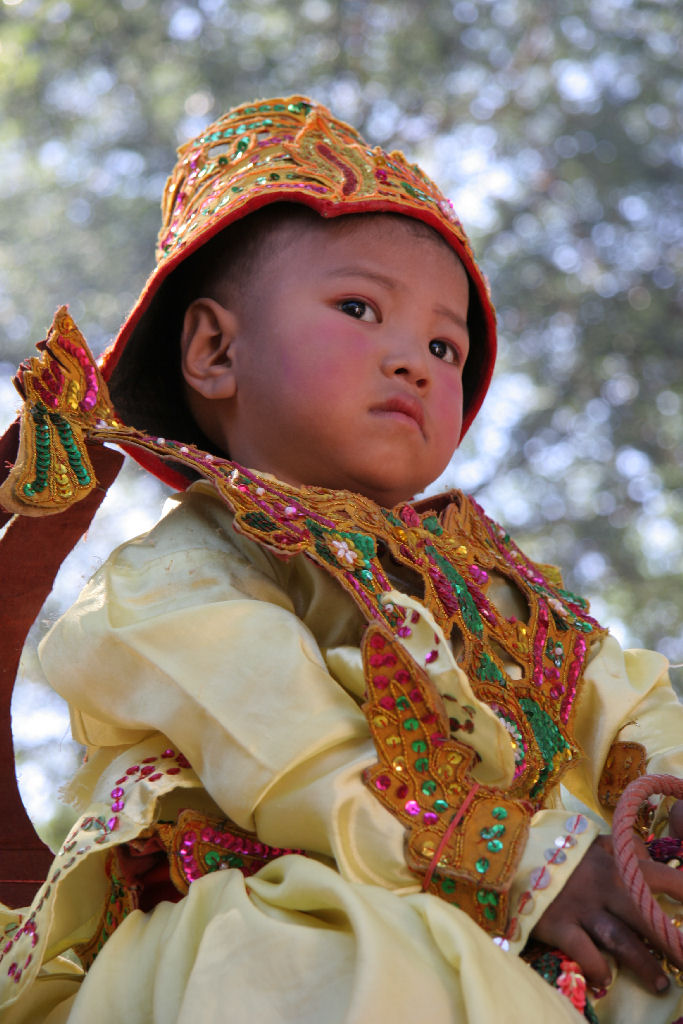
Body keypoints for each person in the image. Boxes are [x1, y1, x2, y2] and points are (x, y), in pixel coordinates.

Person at [0, 95, 682, 1024]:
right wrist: (524, 861)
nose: (413, 361)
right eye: (360, 308)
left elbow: (628, 702)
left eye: (445, 346)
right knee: (337, 966)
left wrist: (662, 812)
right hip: (297, 904)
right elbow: (287, 752)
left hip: (550, 912)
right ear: (213, 349)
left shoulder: (497, 580)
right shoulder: (183, 571)